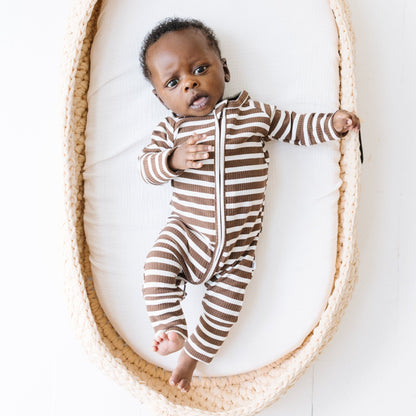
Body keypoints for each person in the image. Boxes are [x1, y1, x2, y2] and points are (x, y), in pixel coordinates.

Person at [138, 17, 360, 393]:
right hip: (186, 234)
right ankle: (171, 326)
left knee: (226, 308)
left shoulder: (253, 113)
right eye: (173, 82)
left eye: (200, 69)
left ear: (224, 67)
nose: (190, 83)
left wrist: (331, 124)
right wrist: (172, 160)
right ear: (161, 98)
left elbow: (295, 126)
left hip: (239, 248)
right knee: (156, 268)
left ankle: (191, 355)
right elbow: (147, 168)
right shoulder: (171, 131)